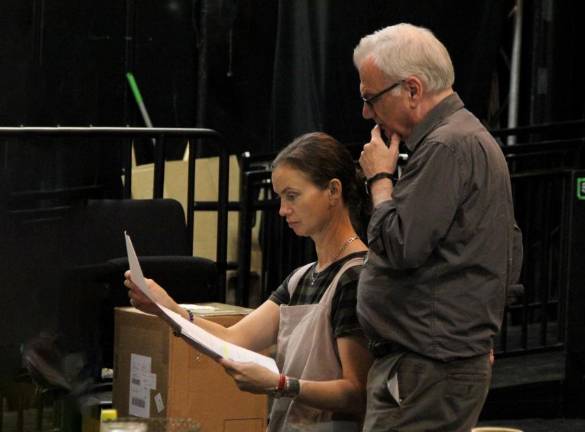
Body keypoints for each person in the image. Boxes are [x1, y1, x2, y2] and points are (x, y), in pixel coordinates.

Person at [125, 132, 373, 431]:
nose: (282, 210)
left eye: (292, 196)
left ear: (333, 191)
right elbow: (233, 340)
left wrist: (282, 384)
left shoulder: (355, 277)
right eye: (280, 198)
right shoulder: (300, 279)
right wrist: (169, 310)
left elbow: (357, 392)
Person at [354, 23, 523, 431]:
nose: (366, 113)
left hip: (427, 368)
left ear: (412, 89)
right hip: (435, 362)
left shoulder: (448, 146)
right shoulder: (465, 138)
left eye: (370, 98)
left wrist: (380, 179)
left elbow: (400, 245)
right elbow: (510, 249)